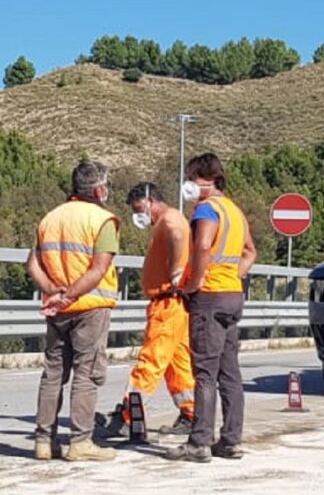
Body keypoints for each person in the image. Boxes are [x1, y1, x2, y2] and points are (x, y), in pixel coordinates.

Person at [166, 153, 257, 463]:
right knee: (230, 372)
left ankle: (198, 442)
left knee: (204, 372)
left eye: (192, 178)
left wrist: (194, 282)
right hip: (232, 295)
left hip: (210, 297)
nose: (189, 185)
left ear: (207, 180)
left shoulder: (207, 209)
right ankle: (231, 440)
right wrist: (235, 274)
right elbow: (250, 252)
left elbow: (203, 245)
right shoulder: (235, 211)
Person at [26, 161, 118, 461]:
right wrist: (68, 296)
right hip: (89, 307)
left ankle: (44, 441)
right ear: (99, 188)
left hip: (56, 310)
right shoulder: (102, 220)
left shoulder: (50, 218)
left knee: (53, 373)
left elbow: (32, 265)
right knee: (87, 373)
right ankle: (80, 442)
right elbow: (99, 269)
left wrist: (53, 292)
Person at [99, 182, 196, 437]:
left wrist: (175, 270)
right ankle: (191, 413)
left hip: (167, 303)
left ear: (150, 200)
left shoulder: (169, 219)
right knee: (179, 364)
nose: (138, 214)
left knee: (150, 361)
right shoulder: (166, 219)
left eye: (139, 208)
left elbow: (176, 235)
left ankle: (128, 415)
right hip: (173, 305)